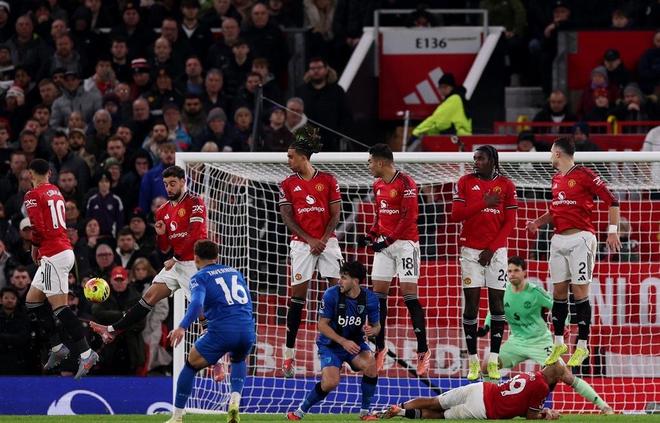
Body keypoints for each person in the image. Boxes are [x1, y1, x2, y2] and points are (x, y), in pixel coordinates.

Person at [527, 137, 621, 367]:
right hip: (558, 240)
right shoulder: (555, 179)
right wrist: (537, 223)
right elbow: (555, 210)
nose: (550, 156)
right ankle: (559, 342)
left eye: (551, 152)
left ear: (558, 153)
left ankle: (582, 345)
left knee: (579, 291)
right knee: (558, 292)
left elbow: (612, 201)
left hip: (581, 239)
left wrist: (613, 231)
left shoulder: (585, 174)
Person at [477, 256, 613, 414]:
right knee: (487, 364)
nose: (512, 274)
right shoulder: (503, 291)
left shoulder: (535, 292)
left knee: (565, 375)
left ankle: (604, 407)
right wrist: (486, 326)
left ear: (524, 272)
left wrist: (565, 324)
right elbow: (494, 311)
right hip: (517, 342)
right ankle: (492, 403)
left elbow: (558, 307)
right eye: (510, 271)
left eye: (516, 270)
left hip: (540, 342)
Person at [90, 165, 208, 343]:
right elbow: (164, 248)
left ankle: (220, 353)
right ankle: (112, 330)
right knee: (149, 296)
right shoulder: (162, 210)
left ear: (183, 182)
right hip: (177, 263)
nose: (169, 188)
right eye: (166, 184)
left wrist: (175, 258)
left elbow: (195, 235)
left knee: (202, 311)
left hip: (194, 262)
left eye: (173, 183)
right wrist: (160, 234)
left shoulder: (195, 202)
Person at [22, 158, 99, 378]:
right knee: (32, 301)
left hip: (53, 255)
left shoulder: (32, 195)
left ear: (30, 174)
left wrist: (35, 248)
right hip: (62, 251)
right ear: (50, 173)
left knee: (59, 308)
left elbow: (37, 227)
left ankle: (86, 353)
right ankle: (57, 347)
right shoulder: (55, 191)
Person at [166, 240, 255, 423]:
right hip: (247, 328)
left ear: (196, 258)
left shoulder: (199, 277)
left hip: (222, 331)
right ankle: (234, 401)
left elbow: (196, 304)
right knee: (238, 359)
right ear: (217, 256)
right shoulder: (234, 272)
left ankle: (177, 416)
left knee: (191, 365)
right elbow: (248, 300)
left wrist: (182, 327)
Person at [279, 126, 343, 377]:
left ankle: (341, 347)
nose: (288, 160)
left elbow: (336, 214)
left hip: (328, 243)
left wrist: (322, 240)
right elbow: (287, 216)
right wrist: (310, 240)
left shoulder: (328, 180)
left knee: (339, 292)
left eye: (291, 156)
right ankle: (288, 354)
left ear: (303, 157)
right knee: (297, 298)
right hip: (301, 244)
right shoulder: (287, 184)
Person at [450, 145, 517, 381]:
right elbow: (456, 215)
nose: (476, 162)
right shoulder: (465, 182)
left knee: (497, 306)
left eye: (481, 158)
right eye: (475, 158)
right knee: (471, 306)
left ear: (492, 160)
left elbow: (510, 222)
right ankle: (473, 361)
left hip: (496, 253)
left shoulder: (507, 185)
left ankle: (493, 360)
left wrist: (492, 249)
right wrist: (484, 202)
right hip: (470, 252)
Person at [286, 261, 380, 421]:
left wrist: (372, 331)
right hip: (331, 345)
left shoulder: (370, 298)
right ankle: (300, 411)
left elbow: (377, 326)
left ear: (355, 281)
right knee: (330, 383)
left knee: (371, 365)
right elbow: (322, 325)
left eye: (344, 278)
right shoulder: (331, 294)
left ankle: (365, 412)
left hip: (355, 344)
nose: (339, 281)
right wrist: (343, 342)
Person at [365, 143, 429, 375]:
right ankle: (380, 348)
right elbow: (379, 215)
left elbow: (409, 217)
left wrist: (388, 241)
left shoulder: (406, 183)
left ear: (381, 162)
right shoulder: (377, 185)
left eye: (370, 162)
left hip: (405, 245)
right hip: (385, 244)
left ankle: (423, 350)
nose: (369, 166)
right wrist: (371, 234)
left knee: (409, 296)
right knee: (378, 298)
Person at [378, 362, 566, 420]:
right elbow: (531, 416)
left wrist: (541, 411)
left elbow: (521, 403)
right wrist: (546, 415)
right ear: (557, 377)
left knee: (434, 402)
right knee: (441, 415)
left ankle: (394, 408)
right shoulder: (542, 387)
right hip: (484, 409)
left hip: (480, 388)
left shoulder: (531, 374)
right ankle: (400, 413)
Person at [411, 73, 472, 137]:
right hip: (463, 137)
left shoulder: (454, 99)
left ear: (452, 87)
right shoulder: (457, 98)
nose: (442, 89)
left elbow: (436, 120)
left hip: (459, 138)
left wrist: (417, 132)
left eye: (445, 87)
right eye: (440, 87)